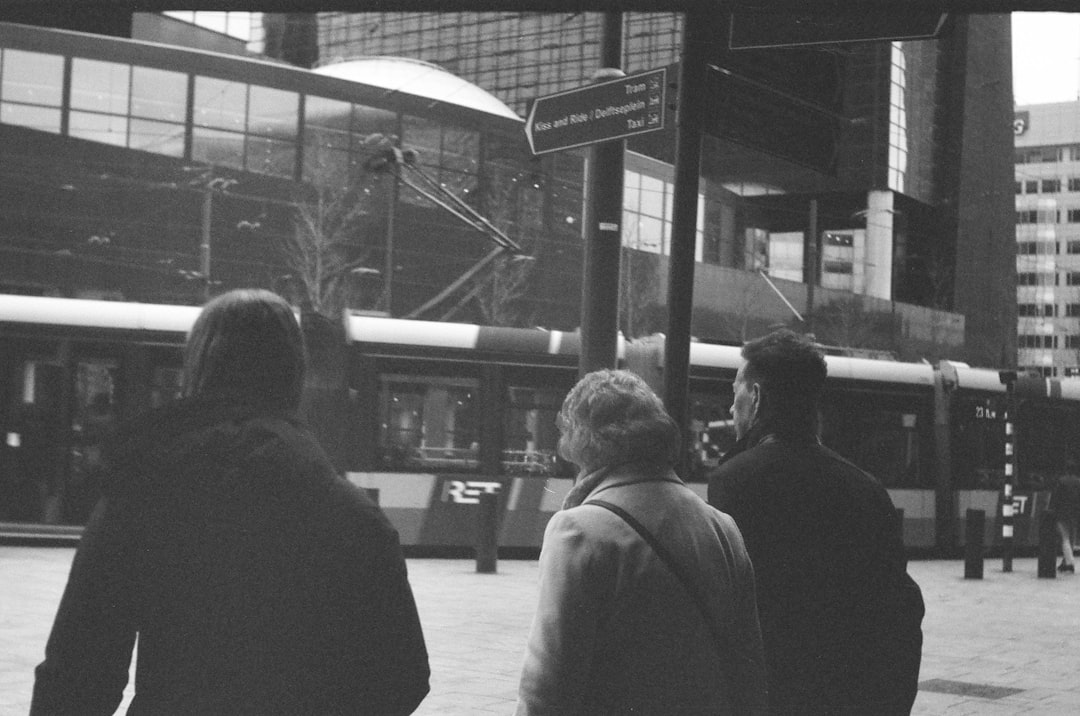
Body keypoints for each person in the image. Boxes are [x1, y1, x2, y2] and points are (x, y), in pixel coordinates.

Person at [31, 289, 430, 715]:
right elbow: (403, 676)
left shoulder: (138, 499)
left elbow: (77, 674)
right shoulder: (354, 517)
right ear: (295, 378)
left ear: (197, 371)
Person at [516, 369, 768, 715]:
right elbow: (750, 672)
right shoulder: (723, 529)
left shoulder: (578, 531)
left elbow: (547, 688)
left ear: (582, 444)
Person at [708, 329, 924, 715]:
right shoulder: (865, 488)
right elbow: (900, 616)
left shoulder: (735, 482)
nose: (730, 408)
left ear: (756, 398)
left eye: (735, 392)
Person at [1052, 473, 1080, 573]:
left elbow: (1056, 497)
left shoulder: (1061, 481)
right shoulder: (1078, 481)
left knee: (1065, 538)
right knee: (1072, 537)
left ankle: (1069, 563)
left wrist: (1052, 510)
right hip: (1075, 514)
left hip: (1062, 513)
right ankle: (1066, 562)